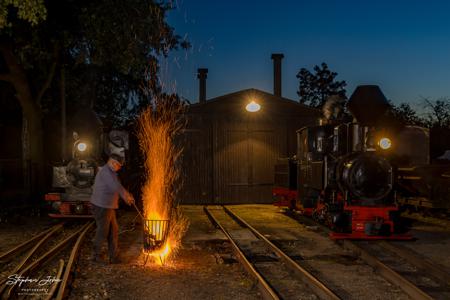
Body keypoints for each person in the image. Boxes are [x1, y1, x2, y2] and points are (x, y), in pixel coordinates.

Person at [90, 154, 135, 264]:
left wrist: (126, 195)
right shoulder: (106, 172)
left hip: (107, 206)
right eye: (119, 165)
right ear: (113, 162)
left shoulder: (111, 172)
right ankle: (96, 256)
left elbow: (116, 185)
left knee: (113, 230)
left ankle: (114, 256)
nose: (119, 168)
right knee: (103, 231)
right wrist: (126, 196)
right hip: (102, 206)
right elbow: (116, 186)